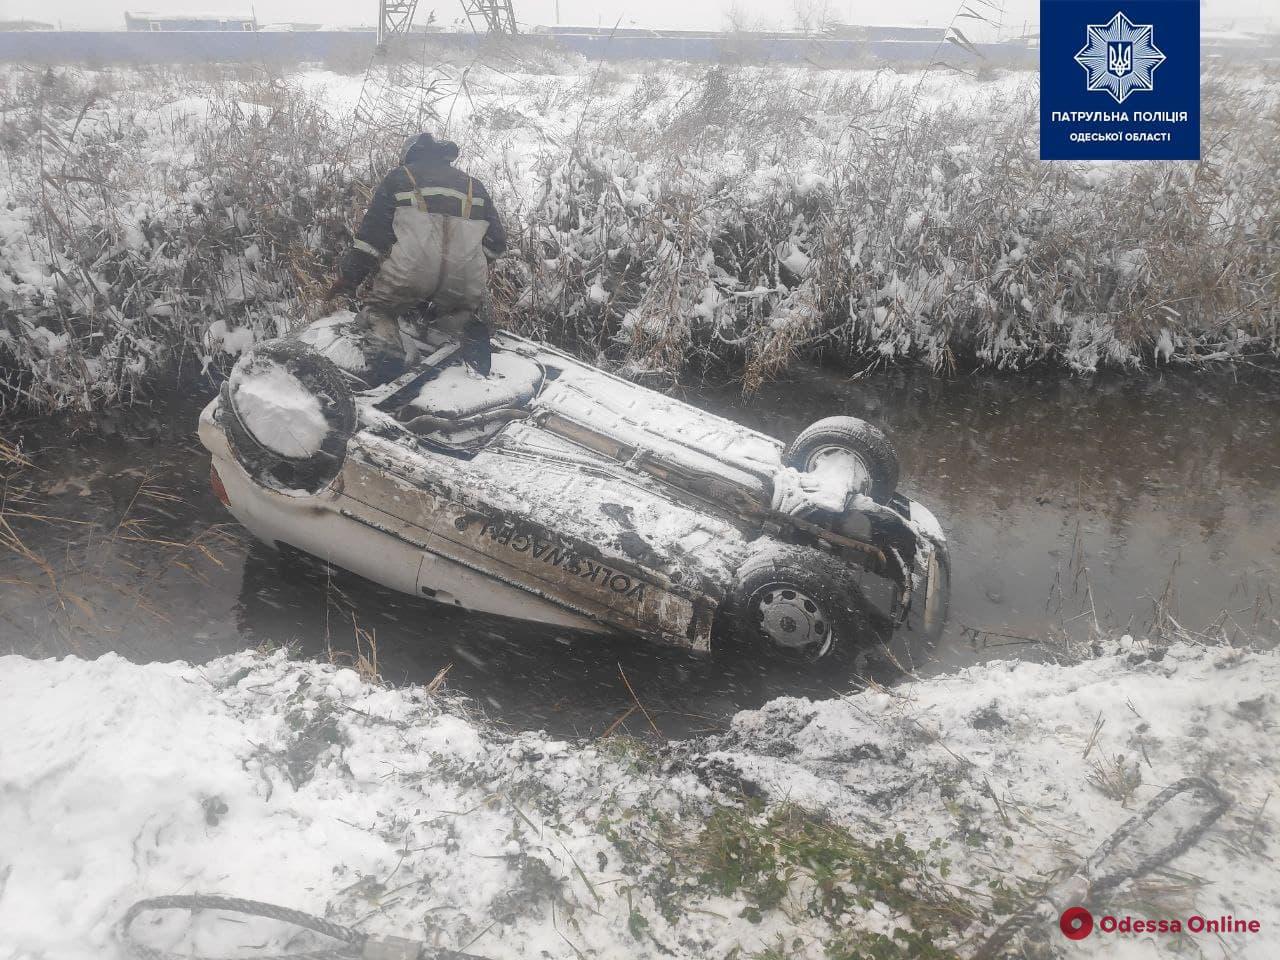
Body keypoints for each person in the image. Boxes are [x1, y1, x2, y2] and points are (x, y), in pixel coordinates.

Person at [328, 132, 507, 381]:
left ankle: (387, 365)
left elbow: (371, 239)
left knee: (379, 312)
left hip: (412, 272)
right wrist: (471, 262)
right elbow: (497, 243)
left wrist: (349, 278)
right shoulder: (473, 185)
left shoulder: (401, 177)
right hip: (465, 276)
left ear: (410, 154)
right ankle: (466, 331)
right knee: (456, 313)